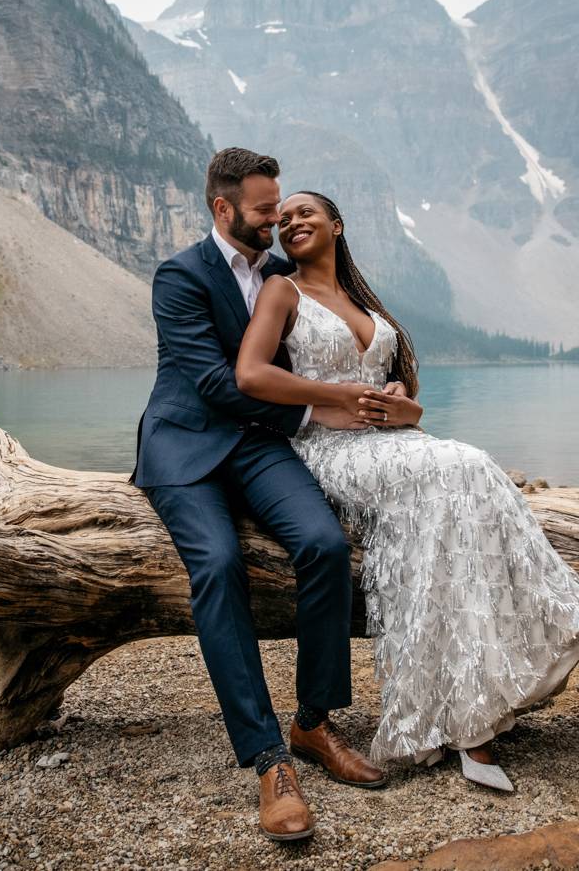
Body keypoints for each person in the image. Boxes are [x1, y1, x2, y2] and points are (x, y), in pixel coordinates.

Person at [234, 189, 579, 792]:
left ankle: (474, 726)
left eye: (304, 212)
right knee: (465, 465)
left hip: (393, 445)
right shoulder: (282, 291)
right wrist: (333, 398)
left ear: (336, 225)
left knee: (449, 525)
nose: (290, 223)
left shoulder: (364, 300)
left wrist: (402, 409)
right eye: (282, 219)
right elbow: (251, 374)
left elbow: (409, 401)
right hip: (329, 450)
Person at [133, 149, 391, 843]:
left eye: (280, 206)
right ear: (223, 209)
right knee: (216, 566)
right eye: (264, 209)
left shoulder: (280, 274)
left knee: (325, 544)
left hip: (258, 446)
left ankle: (313, 720)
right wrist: (326, 407)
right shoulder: (179, 276)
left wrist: (374, 396)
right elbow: (222, 385)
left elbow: (296, 363)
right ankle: (269, 757)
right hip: (185, 447)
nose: (277, 219)